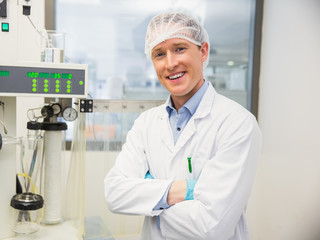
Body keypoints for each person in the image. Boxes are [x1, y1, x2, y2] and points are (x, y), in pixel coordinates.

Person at [104, 11, 262, 240]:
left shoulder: (237, 124)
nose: (170, 63)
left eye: (180, 48)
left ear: (203, 51)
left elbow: (210, 227)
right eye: (159, 54)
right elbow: (115, 194)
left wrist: (150, 195)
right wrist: (183, 191)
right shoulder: (145, 123)